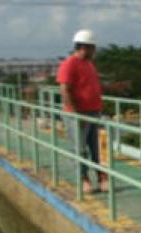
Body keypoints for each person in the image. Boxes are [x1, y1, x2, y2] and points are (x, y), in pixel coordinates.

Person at [56, 28, 107, 194]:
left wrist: (115, 87)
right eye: (93, 48)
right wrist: (77, 115)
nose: (95, 51)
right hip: (78, 114)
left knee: (97, 147)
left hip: (94, 112)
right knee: (79, 148)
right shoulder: (69, 64)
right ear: (84, 47)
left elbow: (92, 87)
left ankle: (101, 178)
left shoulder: (89, 64)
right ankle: (84, 179)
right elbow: (65, 91)